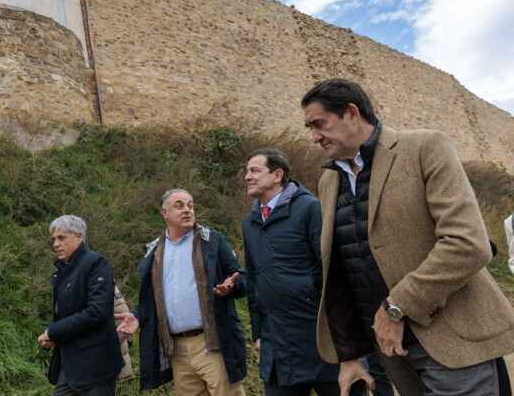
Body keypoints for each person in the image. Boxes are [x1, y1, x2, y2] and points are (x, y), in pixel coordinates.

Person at [300, 78, 514, 396]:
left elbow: (467, 243)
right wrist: (349, 353)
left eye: (319, 124)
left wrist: (396, 308)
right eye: (310, 128)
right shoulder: (328, 181)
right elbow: (342, 271)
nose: (314, 136)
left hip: (455, 342)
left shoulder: (425, 147)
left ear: (351, 113)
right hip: (393, 351)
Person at [114, 189, 247, 395]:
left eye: (190, 205)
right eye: (180, 205)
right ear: (164, 213)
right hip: (176, 349)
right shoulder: (155, 251)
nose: (187, 210)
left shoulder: (212, 240)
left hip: (212, 343)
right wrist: (138, 315)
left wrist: (232, 285)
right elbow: (155, 297)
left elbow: (241, 277)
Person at [242, 148, 340, 396]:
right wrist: (259, 332)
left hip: (320, 339)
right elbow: (254, 279)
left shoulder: (310, 209)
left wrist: (341, 329)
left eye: (254, 170)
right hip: (277, 345)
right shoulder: (250, 222)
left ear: (277, 175)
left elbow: (332, 269)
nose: (247, 177)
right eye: (246, 172)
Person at [38, 215, 124, 396]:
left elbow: (96, 312)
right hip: (70, 365)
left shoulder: (96, 263)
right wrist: (53, 334)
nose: (55, 244)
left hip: (96, 365)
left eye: (61, 238)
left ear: (79, 237)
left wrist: (54, 331)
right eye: (54, 239)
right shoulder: (63, 270)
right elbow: (66, 312)